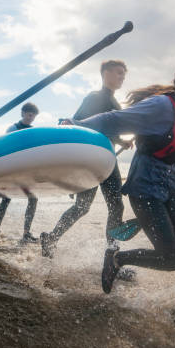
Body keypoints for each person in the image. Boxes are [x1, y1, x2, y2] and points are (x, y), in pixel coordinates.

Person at [68, 52, 175, 338]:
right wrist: (72, 126)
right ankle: (116, 260)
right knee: (169, 258)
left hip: (171, 187)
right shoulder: (161, 106)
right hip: (144, 189)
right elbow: (114, 119)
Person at [40, 60, 133, 258]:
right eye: (118, 73)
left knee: (108, 206)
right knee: (92, 207)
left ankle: (112, 255)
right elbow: (78, 123)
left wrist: (121, 141)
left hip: (106, 159)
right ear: (105, 73)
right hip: (94, 161)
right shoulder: (95, 97)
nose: (122, 77)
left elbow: (106, 127)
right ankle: (53, 238)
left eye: (124, 74)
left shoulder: (115, 102)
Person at [0, 102, 40, 244]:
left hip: (25, 171)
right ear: (23, 113)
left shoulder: (33, 131)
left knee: (33, 199)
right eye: (29, 114)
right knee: (6, 198)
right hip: (12, 170)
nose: (31, 117)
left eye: (34, 115)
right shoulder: (13, 128)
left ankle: (26, 233)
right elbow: (5, 148)